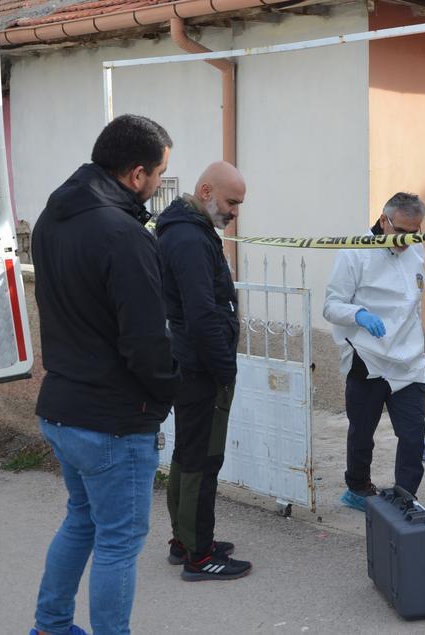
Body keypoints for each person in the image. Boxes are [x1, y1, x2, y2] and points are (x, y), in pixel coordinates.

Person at [29, 114, 180, 635]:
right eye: (160, 174)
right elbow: (145, 340)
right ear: (137, 174)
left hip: (63, 408)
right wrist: (171, 390)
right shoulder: (124, 234)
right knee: (118, 542)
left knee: (82, 520)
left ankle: (50, 626)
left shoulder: (53, 216)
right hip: (114, 421)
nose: (159, 184)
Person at [155, 161, 251, 581]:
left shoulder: (187, 230)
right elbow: (202, 312)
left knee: (189, 454)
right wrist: (224, 367)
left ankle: (186, 540)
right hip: (201, 367)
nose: (235, 211)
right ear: (207, 191)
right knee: (202, 459)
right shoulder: (190, 238)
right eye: (232, 201)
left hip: (191, 362)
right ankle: (199, 555)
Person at [323, 192, 425, 511]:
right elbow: (331, 306)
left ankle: (405, 496)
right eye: (402, 232)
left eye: (416, 232)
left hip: (408, 359)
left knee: (413, 434)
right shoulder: (354, 253)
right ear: (384, 221)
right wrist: (359, 315)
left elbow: (414, 300)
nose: (408, 240)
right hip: (366, 357)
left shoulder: (417, 250)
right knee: (362, 431)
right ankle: (358, 487)